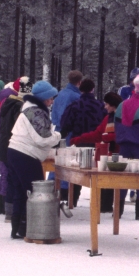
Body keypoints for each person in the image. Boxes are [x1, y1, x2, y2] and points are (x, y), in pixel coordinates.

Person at [7, 81, 61, 239]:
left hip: (15, 152)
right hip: (26, 155)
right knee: (35, 193)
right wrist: (57, 136)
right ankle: (31, 228)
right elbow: (43, 139)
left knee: (20, 192)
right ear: (43, 98)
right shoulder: (35, 112)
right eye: (50, 98)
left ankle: (18, 228)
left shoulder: (28, 108)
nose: (52, 101)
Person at [70, 92, 122, 214]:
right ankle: (105, 206)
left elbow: (122, 135)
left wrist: (109, 138)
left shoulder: (121, 118)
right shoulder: (107, 118)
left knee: (112, 180)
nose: (105, 107)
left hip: (118, 154)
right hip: (107, 154)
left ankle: (113, 208)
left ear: (113, 105)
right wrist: (80, 139)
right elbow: (97, 134)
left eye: (106, 104)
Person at [60, 78, 105, 206]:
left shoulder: (74, 105)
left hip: (78, 142)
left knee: (76, 173)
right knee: (98, 173)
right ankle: (99, 204)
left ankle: (72, 201)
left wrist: (61, 136)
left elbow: (65, 124)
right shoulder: (100, 106)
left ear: (80, 90)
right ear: (93, 90)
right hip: (96, 143)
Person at [115, 74, 139, 219]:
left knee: (122, 176)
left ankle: (118, 209)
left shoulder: (121, 104)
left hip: (123, 145)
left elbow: (116, 125)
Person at [0, 77, 32, 221]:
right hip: (15, 146)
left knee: (11, 179)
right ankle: (17, 214)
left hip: (4, 145)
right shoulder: (20, 107)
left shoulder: (7, 103)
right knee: (17, 181)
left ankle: (9, 212)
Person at [51, 70, 83, 199]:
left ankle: (52, 186)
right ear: (79, 82)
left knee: (57, 160)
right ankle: (64, 193)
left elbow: (54, 113)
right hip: (69, 131)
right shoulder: (76, 96)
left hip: (58, 130)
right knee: (68, 162)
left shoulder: (60, 94)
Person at [0, 79, 20, 215]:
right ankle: (4, 204)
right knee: (7, 171)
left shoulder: (2, 101)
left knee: (4, 171)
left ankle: (1, 203)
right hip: (4, 139)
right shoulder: (13, 103)